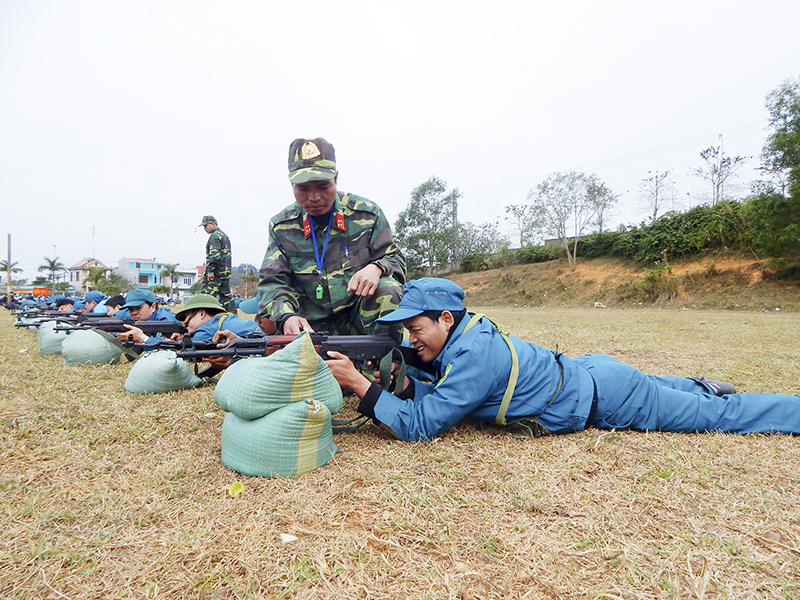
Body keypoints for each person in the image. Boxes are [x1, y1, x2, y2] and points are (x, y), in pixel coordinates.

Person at [325, 278, 800, 442]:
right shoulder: (465, 336)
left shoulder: (471, 353)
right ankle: (700, 385)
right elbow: (445, 389)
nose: (411, 336)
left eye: (416, 328)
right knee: (673, 390)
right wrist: (401, 380)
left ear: (446, 319)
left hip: (610, 398)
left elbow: (422, 426)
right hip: (590, 373)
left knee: (722, 417)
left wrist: (362, 386)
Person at [257, 137, 405, 342]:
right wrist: (287, 316)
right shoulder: (281, 227)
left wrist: (377, 267)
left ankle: (385, 364)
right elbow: (272, 283)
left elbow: (396, 260)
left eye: (323, 186)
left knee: (388, 287)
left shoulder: (367, 215)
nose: (314, 197)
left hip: (360, 319)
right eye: (303, 189)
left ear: (335, 178)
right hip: (309, 327)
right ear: (291, 184)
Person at [114, 288, 180, 344]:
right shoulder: (136, 318)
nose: (134, 313)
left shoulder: (165, 318)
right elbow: (114, 328)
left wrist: (142, 338)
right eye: (131, 309)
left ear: (153, 307)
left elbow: (167, 346)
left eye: (138, 308)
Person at [199, 215, 235, 312]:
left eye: (205, 226)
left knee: (207, 297)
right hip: (225, 272)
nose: (204, 229)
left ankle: (205, 318)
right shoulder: (224, 236)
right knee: (226, 296)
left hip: (216, 273)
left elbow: (214, 256)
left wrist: (210, 271)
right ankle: (233, 316)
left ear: (212, 224)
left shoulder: (215, 236)